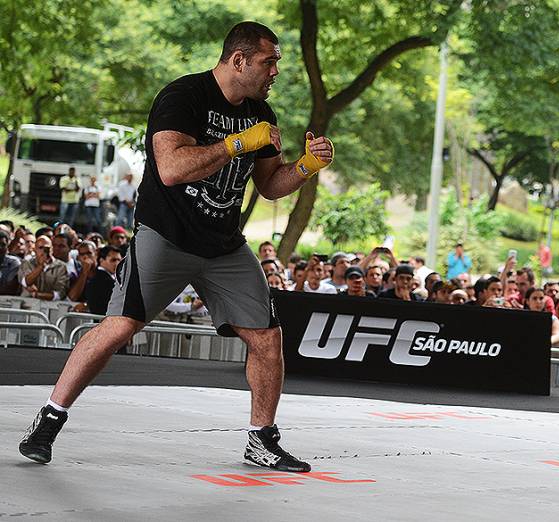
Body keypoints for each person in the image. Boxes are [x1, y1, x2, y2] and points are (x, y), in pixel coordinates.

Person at [19, 22, 334, 472]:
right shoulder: (182, 97)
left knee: (267, 338)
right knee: (119, 327)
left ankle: (261, 440)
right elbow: (170, 168)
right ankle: (49, 419)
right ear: (239, 60)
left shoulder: (262, 110)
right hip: (166, 236)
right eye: (269, 61)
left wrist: (305, 166)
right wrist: (237, 143)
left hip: (223, 246)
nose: (275, 71)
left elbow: (268, 185)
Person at [18, 235, 69, 300]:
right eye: (41, 248)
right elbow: (26, 282)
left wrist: (37, 295)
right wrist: (41, 266)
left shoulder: (61, 267)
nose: (44, 251)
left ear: (52, 249)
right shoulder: (27, 263)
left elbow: (59, 294)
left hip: (51, 306)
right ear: (35, 249)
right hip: (27, 304)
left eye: (47, 248)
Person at [82, 246, 123, 315]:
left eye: (119, 260)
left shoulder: (105, 277)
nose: (117, 263)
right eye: (113, 260)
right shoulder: (102, 280)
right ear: (101, 260)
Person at [0, 230, 22, 295]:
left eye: (3, 245)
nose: (0, 247)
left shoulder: (13, 263)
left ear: (7, 247)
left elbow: (9, 288)